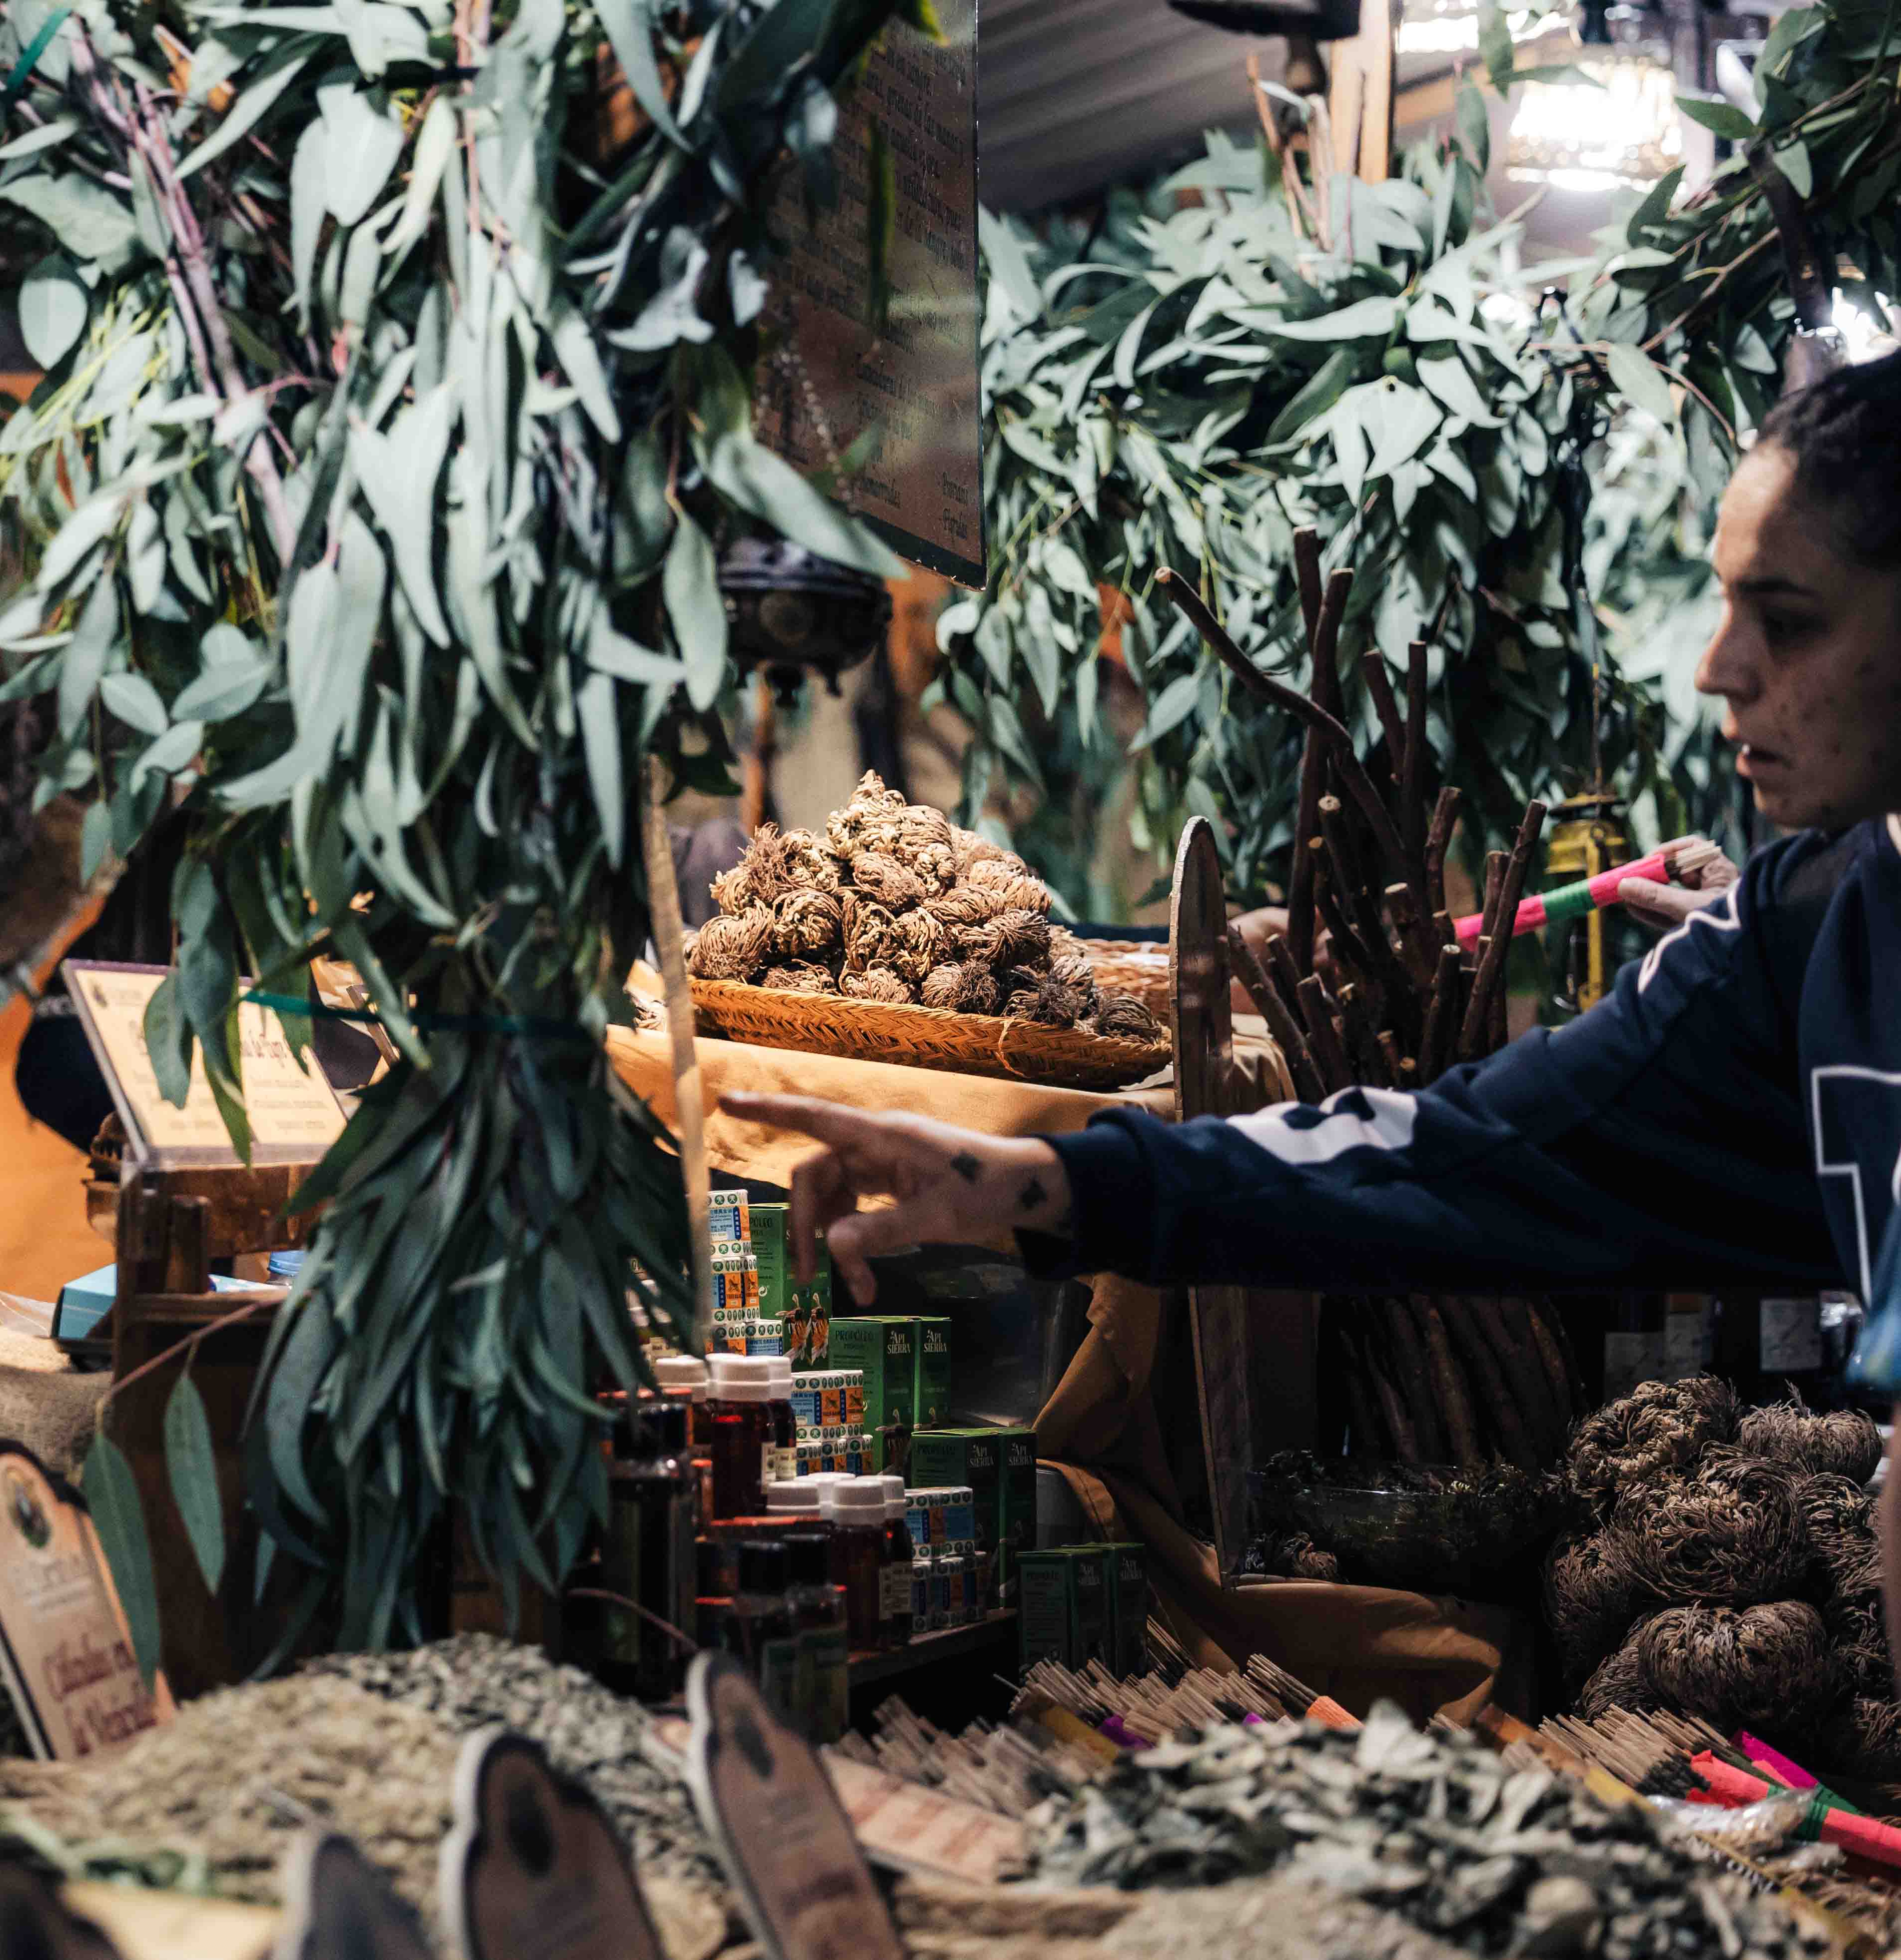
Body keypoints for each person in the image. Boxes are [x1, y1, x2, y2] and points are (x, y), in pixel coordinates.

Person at [725, 351, 1901, 1653]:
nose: (1716, 666)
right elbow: (1459, 1151)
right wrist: (1042, 1189)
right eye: (1726, 604)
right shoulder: (1803, 929)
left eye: (1784, 618)